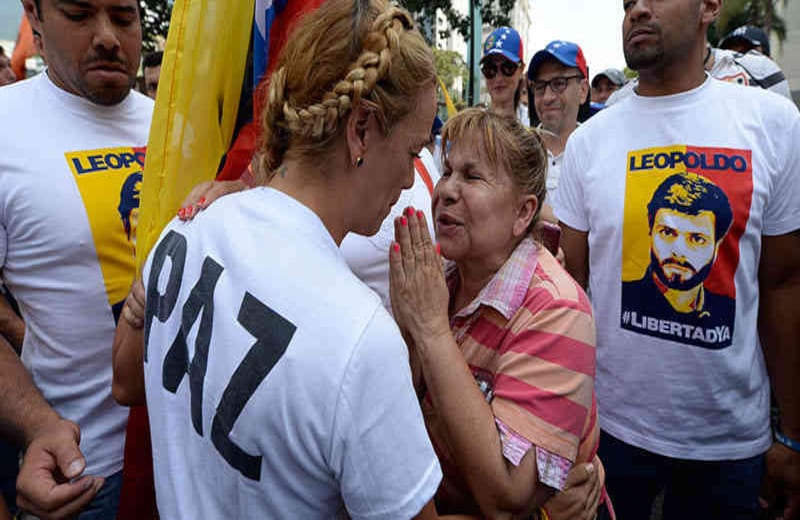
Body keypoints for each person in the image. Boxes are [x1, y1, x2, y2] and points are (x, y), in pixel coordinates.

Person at [113, 1, 444, 517]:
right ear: (360, 129)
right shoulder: (361, 341)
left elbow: (126, 382)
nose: (409, 180)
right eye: (412, 152)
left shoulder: (190, 225)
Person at [553, 0, 800, 518]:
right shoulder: (589, 144)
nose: (637, 10)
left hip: (731, 448)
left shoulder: (773, 124)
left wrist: (792, 437)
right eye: (627, 2)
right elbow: (567, 291)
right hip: (609, 435)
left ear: (710, 6)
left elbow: (783, 285)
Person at [389, 108, 606, 519]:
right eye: (447, 170)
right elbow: (399, 416)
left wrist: (431, 331)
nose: (446, 190)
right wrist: (409, 331)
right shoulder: (438, 276)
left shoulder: (557, 310)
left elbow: (507, 496)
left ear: (523, 213)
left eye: (472, 177)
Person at [0, 0, 152, 517]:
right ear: (35, 16)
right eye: (80, 15)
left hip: (192, 458)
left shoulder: (178, 123)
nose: (108, 36)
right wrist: (38, 424)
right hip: (85, 475)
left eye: (124, 17)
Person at [621, 172, 735, 341]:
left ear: (717, 245)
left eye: (697, 239)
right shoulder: (623, 298)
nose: (679, 250)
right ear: (650, 231)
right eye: (667, 232)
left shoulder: (727, 309)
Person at [527, 40, 589, 203]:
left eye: (559, 83)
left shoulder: (598, 154)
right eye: (540, 86)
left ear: (583, 90)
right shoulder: (518, 151)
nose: (547, 97)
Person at [480, 27, 527, 122]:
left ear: (521, 70)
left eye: (507, 68)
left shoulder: (533, 125)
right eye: (490, 69)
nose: (498, 78)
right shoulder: (472, 127)